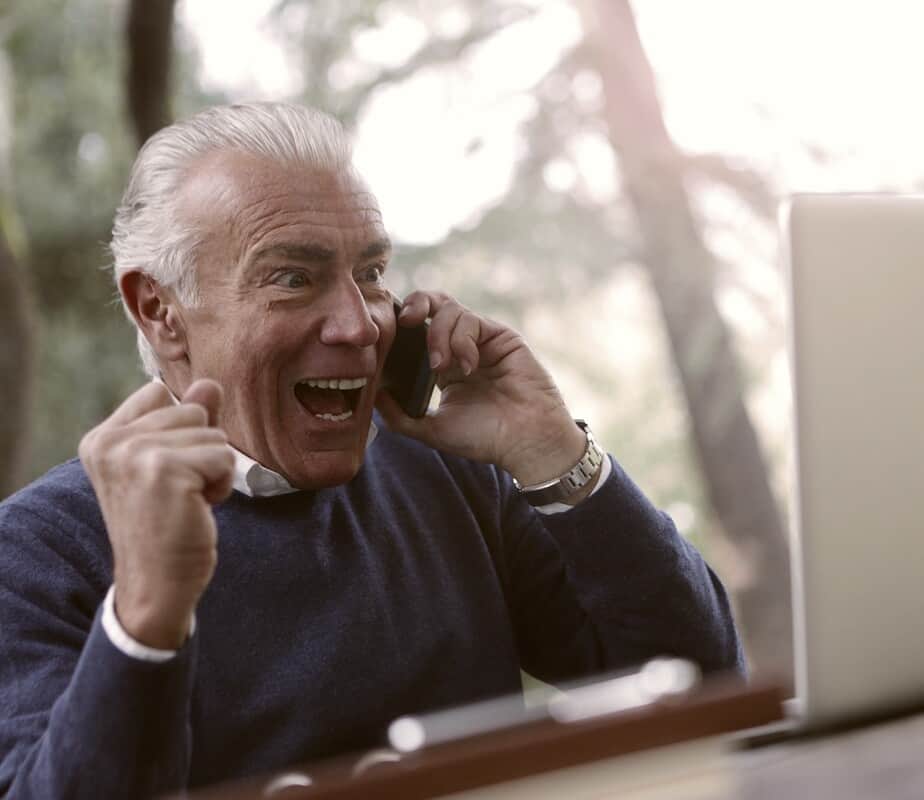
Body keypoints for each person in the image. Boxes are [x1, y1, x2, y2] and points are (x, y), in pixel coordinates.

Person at [0, 103, 744, 798]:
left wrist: (553, 451)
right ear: (161, 311)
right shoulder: (35, 553)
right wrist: (144, 616)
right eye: (294, 277)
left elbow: (706, 685)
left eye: (372, 274)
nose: (359, 326)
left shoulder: (452, 474)